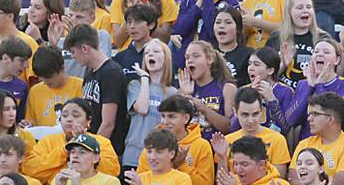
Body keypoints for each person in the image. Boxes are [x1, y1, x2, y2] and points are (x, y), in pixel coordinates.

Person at [24, 98, 120, 185]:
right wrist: (64, 151)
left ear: (88, 121)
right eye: (64, 116)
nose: (69, 119)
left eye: (76, 115)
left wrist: (85, 143)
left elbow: (112, 171)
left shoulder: (102, 142)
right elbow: (31, 170)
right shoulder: (48, 141)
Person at [65, 23, 129, 157]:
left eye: (73, 52)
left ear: (84, 48)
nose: (73, 57)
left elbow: (108, 123)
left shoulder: (111, 73)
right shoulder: (89, 73)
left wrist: (92, 151)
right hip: (92, 143)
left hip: (106, 151)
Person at [173, 0, 240, 69]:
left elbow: (212, 30)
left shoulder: (229, 2)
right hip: (187, 63)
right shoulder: (189, 2)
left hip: (212, 62)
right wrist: (199, 3)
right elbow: (179, 29)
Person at [212, 88, 291, 177]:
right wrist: (222, 157)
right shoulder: (226, 141)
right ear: (235, 112)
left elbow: (279, 180)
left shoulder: (276, 139)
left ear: (261, 112)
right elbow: (221, 183)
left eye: (255, 114)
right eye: (245, 115)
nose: (250, 120)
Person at [285, 39, 344, 140]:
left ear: (337, 60)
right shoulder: (303, 84)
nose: (319, 55)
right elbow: (291, 120)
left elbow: (332, 116)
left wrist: (319, 85)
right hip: (306, 144)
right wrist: (309, 87)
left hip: (332, 143)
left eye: (326, 52)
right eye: (316, 51)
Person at [125, 40, 177, 171]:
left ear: (166, 58)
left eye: (156, 51)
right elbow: (142, 108)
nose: (150, 55)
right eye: (147, 53)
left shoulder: (173, 93)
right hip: (134, 156)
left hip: (159, 159)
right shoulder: (135, 85)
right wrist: (144, 78)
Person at [266, 0, 331, 90]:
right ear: (289, 12)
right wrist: (282, 65)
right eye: (299, 8)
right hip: (283, 97)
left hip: (315, 95)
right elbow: (265, 77)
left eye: (309, 7)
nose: (305, 10)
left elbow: (333, 73)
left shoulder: (323, 37)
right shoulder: (275, 38)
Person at [177, 40, 237, 140]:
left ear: (209, 59)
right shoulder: (183, 90)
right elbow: (175, 128)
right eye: (187, 57)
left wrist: (204, 109)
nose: (190, 60)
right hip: (191, 151)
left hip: (217, 151)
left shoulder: (227, 88)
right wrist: (184, 96)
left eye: (196, 56)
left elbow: (230, 127)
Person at [48, 0, 114, 80]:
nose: (73, 20)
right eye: (71, 15)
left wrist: (77, 37)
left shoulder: (101, 36)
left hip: (87, 88)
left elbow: (102, 68)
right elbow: (50, 72)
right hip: (65, 90)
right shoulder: (61, 41)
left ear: (92, 18)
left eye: (79, 17)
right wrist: (53, 45)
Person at [232, 46, 293, 133]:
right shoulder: (242, 90)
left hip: (273, 141)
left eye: (256, 64)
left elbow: (286, 128)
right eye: (249, 63)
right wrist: (249, 95)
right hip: (246, 140)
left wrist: (272, 100)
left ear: (270, 70)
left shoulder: (285, 91)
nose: (250, 68)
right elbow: (232, 127)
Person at [28, 45, 84, 128]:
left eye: (48, 77)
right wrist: (28, 125)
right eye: (41, 77)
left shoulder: (80, 86)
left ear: (62, 68)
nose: (45, 82)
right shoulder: (35, 91)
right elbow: (31, 122)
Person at [113, 3, 159, 86]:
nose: (132, 26)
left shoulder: (161, 55)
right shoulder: (119, 58)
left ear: (151, 25)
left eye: (137, 21)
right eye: (129, 22)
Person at [214, 5, 253, 85]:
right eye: (218, 22)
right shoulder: (207, 53)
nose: (221, 26)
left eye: (228, 22)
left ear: (238, 28)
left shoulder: (248, 54)